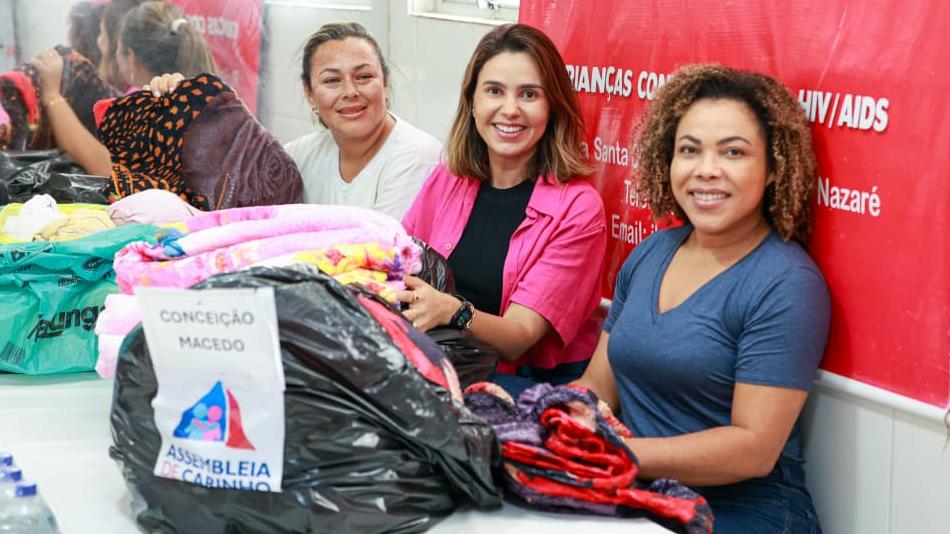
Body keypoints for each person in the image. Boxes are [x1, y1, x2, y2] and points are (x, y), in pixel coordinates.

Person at [573, 64, 830, 533]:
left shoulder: (787, 283)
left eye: (733, 152)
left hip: (743, 513)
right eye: (689, 150)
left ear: (773, 168)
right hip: (637, 492)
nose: (706, 170)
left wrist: (613, 454)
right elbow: (598, 387)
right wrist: (548, 419)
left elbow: (753, 449)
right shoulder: (651, 252)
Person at [397, 24, 606, 398]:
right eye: (494, 91)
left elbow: (518, 337)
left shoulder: (579, 208)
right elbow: (401, 264)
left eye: (529, 94)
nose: (510, 110)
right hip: (442, 364)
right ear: (472, 101)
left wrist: (454, 311)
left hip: (526, 384)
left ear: (552, 108)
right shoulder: (448, 176)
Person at [29, 0, 215, 176]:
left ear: (130, 58)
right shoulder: (199, 98)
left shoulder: (147, 105)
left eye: (107, 38)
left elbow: (106, 167)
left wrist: (51, 95)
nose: (100, 43)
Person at [283, 22, 441, 220]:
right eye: (332, 80)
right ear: (309, 93)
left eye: (364, 77)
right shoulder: (298, 157)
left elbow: (382, 239)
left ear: (385, 83)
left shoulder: (417, 159)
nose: (350, 92)